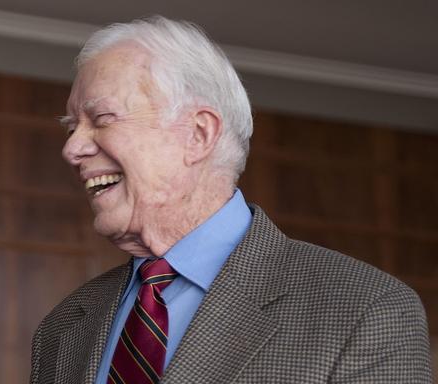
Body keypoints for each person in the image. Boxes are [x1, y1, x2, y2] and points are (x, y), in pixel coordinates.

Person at [29, 16, 431, 384]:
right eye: (71, 128)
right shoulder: (62, 327)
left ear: (199, 134)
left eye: (101, 120)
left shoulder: (367, 310)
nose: (73, 148)